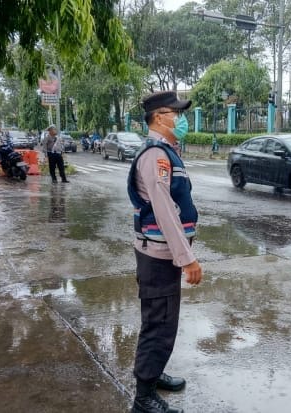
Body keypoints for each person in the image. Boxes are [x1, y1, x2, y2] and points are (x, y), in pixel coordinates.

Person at [126, 91, 202, 413]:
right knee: (159, 325)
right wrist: (187, 259)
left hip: (161, 254)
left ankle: (153, 374)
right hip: (159, 256)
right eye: (176, 113)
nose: (181, 119)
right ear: (159, 117)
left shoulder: (166, 152)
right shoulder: (156, 155)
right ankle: (143, 398)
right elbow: (164, 210)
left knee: (162, 320)